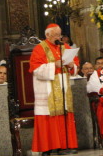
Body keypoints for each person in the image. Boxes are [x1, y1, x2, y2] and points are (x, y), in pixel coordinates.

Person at [29, 23, 79, 155]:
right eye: (56, 35)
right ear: (47, 35)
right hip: (47, 90)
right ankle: (48, 148)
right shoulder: (39, 49)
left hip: (63, 88)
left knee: (64, 115)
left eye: (60, 34)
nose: (59, 37)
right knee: (48, 119)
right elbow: (36, 70)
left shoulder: (65, 47)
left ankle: (65, 146)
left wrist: (71, 65)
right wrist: (53, 65)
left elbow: (75, 66)